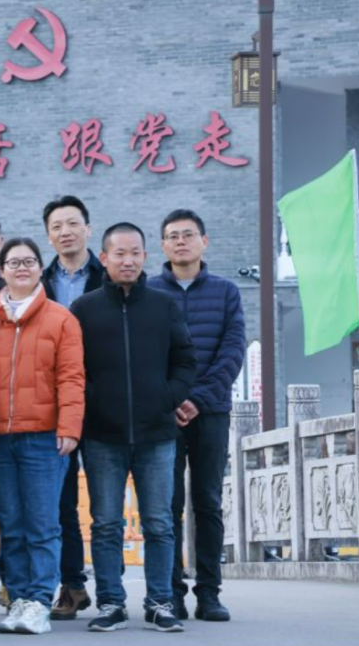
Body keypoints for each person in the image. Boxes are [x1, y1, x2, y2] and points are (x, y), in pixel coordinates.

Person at [70, 223, 196, 635]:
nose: (128, 260)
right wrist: (93, 403)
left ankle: (160, 602)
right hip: (101, 435)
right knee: (106, 524)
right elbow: (73, 369)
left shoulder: (163, 305)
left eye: (135, 253)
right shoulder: (84, 309)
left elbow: (185, 360)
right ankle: (111, 602)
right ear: (104, 258)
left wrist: (167, 397)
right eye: (119, 254)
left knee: (159, 522)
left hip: (157, 434)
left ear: (145, 256)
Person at [0, 238, 85, 636]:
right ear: (2, 270)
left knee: (43, 525)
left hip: (43, 438)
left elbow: (71, 377)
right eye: (13, 262)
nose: (21, 268)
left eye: (29, 261)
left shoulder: (61, 319)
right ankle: (18, 598)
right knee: (11, 525)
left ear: (41, 268)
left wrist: (69, 427)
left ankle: (39, 601)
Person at [150, 210, 245, 623]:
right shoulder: (149, 292)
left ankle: (209, 593)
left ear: (204, 241)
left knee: (207, 502)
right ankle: (170, 593)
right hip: (163, 415)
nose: (181, 242)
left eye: (188, 235)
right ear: (163, 245)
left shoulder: (226, 292)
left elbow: (233, 350)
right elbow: (146, 355)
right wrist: (172, 399)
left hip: (211, 412)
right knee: (166, 505)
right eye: (173, 236)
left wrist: (199, 400)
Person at [40, 196, 105, 622]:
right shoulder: (38, 280)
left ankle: (113, 591)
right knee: (60, 502)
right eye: (57, 226)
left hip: (101, 402)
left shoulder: (108, 276)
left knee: (105, 504)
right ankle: (72, 584)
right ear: (49, 236)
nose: (65, 232)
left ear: (87, 228)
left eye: (72, 223)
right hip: (55, 405)